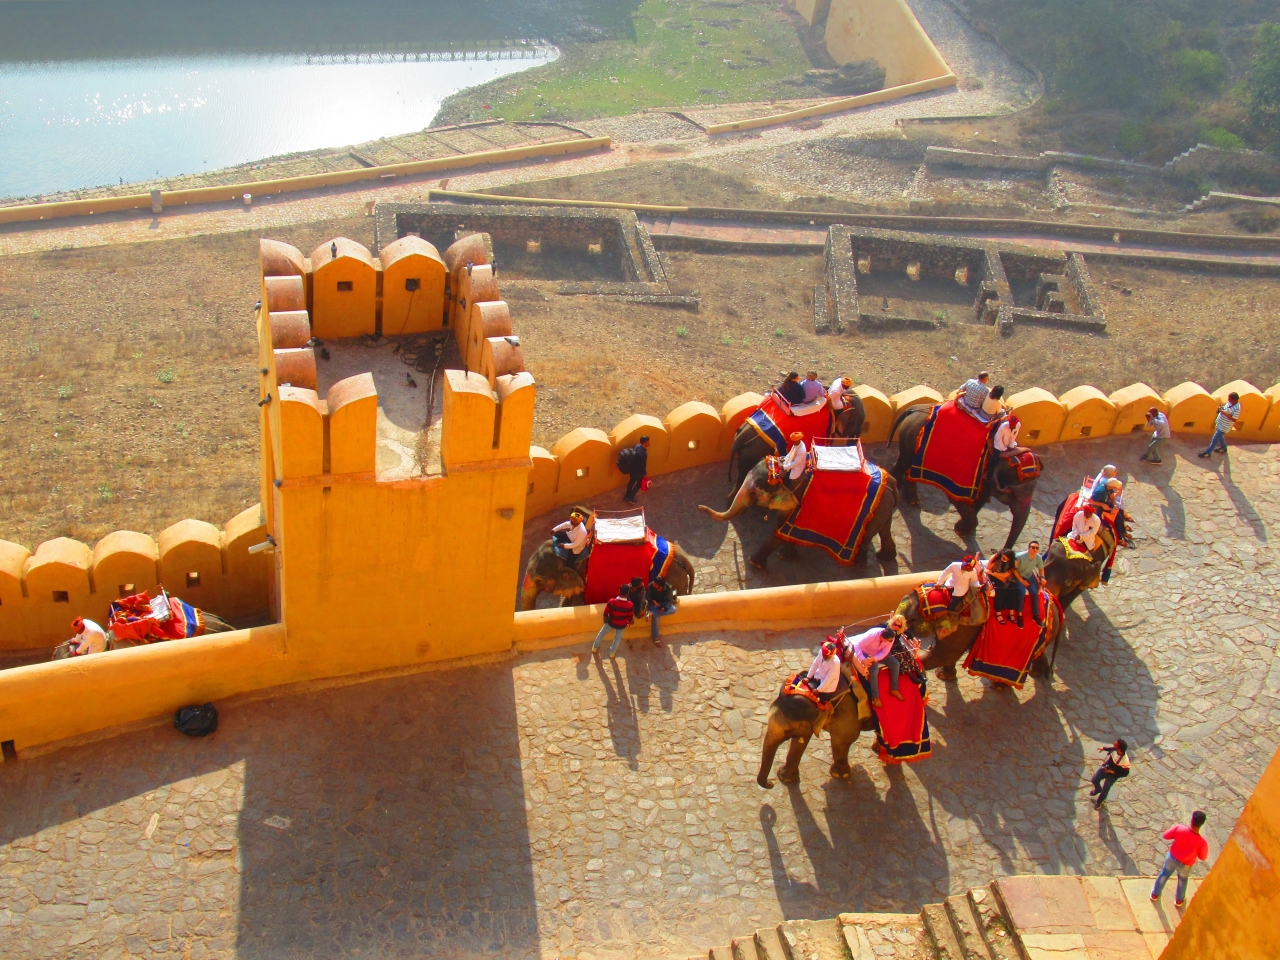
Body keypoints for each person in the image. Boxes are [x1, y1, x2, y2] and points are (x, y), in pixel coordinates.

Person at [1151, 811, 1209, 907]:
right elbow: (1203, 857)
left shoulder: (1179, 828)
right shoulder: (1202, 843)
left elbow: (1166, 835)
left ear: (1192, 820)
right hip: (1186, 864)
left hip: (1172, 858)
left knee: (1164, 874)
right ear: (1202, 824)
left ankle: (1155, 894)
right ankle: (1179, 900)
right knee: (1183, 880)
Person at [849, 626, 903, 709]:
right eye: (889, 640)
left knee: (896, 664)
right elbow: (857, 645)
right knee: (874, 670)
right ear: (883, 638)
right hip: (867, 653)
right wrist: (863, 659)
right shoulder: (871, 635)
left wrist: (875, 658)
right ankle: (875, 697)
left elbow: (885, 652)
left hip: (879, 654)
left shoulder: (891, 637)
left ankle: (894, 689)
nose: (891, 641)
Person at [591, 584, 635, 659]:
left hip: (611, 622)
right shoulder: (630, 605)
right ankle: (612, 653)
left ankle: (595, 647)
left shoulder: (612, 601)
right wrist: (629, 623)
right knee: (617, 638)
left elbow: (605, 613)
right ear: (628, 592)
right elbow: (630, 618)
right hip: (622, 625)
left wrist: (605, 621)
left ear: (619, 591)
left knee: (602, 633)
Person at [1088, 739, 1130, 808]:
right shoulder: (1115, 750)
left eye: (1116, 744)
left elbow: (1125, 773)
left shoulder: (1125, 761)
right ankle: (1098, 789)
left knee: (1105, 790)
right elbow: (1112, 748)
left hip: (1112, 776)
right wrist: (1104, 748)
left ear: (1119, 748)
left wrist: (1112, 772)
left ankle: (1099, 802)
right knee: (1094, 779)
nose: (1114, 743)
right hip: (1105, 768)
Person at [1199, 391, 1241, 458]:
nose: (1228, 400)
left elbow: (1234, 419)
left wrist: (1225, 413)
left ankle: (1207, 452)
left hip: (1224, 426)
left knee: (1215, 439)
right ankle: (1223, 448)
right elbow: (1225, 408)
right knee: (1220, 436)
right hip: (1219, 422)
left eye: (1230, 399)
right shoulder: (1230, 403)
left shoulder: (1237, 408)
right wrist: (1221, 408)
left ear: (1234, 400)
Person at [1014, 541, 1045, 625]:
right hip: (1018, 576)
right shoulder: (1020, 557)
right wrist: (1022, 581)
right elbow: (1014, 570)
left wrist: (1042, 578)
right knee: (1021, 592)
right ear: (1028, 548)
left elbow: (1041, 569)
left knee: (1035, 592)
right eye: (1033, 547)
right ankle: (1020, 616)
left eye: (1037, 548)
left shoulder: (1038, 557)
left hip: (1028, 575)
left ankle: (1036, 615)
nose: (1035, 549)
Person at [647, 575, 677, 646]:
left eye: (655, 585)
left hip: (663, 604)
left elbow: (670, 600)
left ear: (660, 586)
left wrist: (664, 608)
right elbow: (647, 597)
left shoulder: (668, 587)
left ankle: (652, 614)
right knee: (656, 618)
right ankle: (655, 637)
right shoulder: (650, 586)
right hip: (653, 604)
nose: (653, 585)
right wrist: (652, 601)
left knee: (673, 609)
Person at [622, 435, 650, 504]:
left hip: (632, 469)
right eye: (648, 442)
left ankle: (626, 496)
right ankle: (631, 498)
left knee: (631, 482)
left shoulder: (636, 446)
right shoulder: (643, 454)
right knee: (639, 484)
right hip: (638, 472)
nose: (649, 443)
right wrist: (644, 474)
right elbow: (642, 465)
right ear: (644, 443)